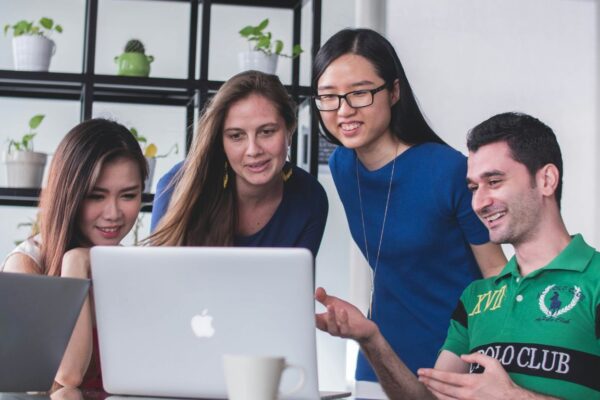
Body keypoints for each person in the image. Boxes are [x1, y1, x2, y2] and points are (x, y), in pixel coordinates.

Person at [316, 112, 599, 399]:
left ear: (547, 180)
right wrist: (371, 339)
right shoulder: (476, 298)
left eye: (495, 181)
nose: (479, 202)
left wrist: (512, 396)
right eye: (474, 187)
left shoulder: (596, 281)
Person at [312, 28, 506, 395]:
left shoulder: (447, 169)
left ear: (394, 91)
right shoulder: (342, 166)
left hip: (456, 358)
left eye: (360, 93)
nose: (344, 110)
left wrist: (487, 359)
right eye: (329, 97)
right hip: (379, 355)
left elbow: (495, 274)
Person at [2, 119, 148, 388]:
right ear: (69, 195)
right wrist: (75, 264)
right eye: (96, 196)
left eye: (128, 195)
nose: (113, 214)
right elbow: (67, 375)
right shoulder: (26, 265)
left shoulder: (128, 267)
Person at [149, 70, 328, 255]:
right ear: (221, 141)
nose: (253, 150)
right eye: (236, 136)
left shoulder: (310, 198)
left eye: (266, 131)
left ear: (289, 131)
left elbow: (296, 281)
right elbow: (158, 278)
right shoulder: (177, 185)